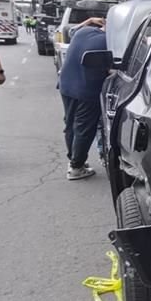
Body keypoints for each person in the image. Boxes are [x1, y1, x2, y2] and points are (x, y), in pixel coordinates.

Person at [58, 17, 108, 180]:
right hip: (87, 89)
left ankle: (74, 160)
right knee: (84, 129)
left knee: (71, 124)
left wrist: (88, 21)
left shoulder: (83, 32)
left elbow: (71, 31)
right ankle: (76, 167)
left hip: (66, 85)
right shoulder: (111, 42)